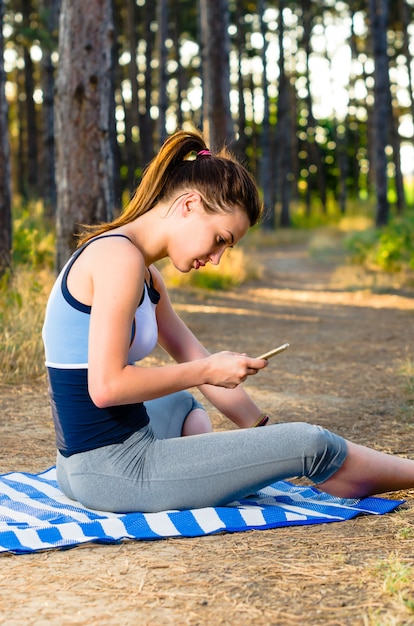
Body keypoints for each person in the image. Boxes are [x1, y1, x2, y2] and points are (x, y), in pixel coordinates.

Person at [42, 129, 414, 513]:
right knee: (311, 444)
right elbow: (107, 387)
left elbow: (192, 353)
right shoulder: (119, 260)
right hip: (113, 471)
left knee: (183, 406)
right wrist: (209, 371)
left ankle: (190, 477)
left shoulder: (144, 273)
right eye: (220, 239)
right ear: (190, 204)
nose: (218, 258)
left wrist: (261, 432)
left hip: (80, 464)